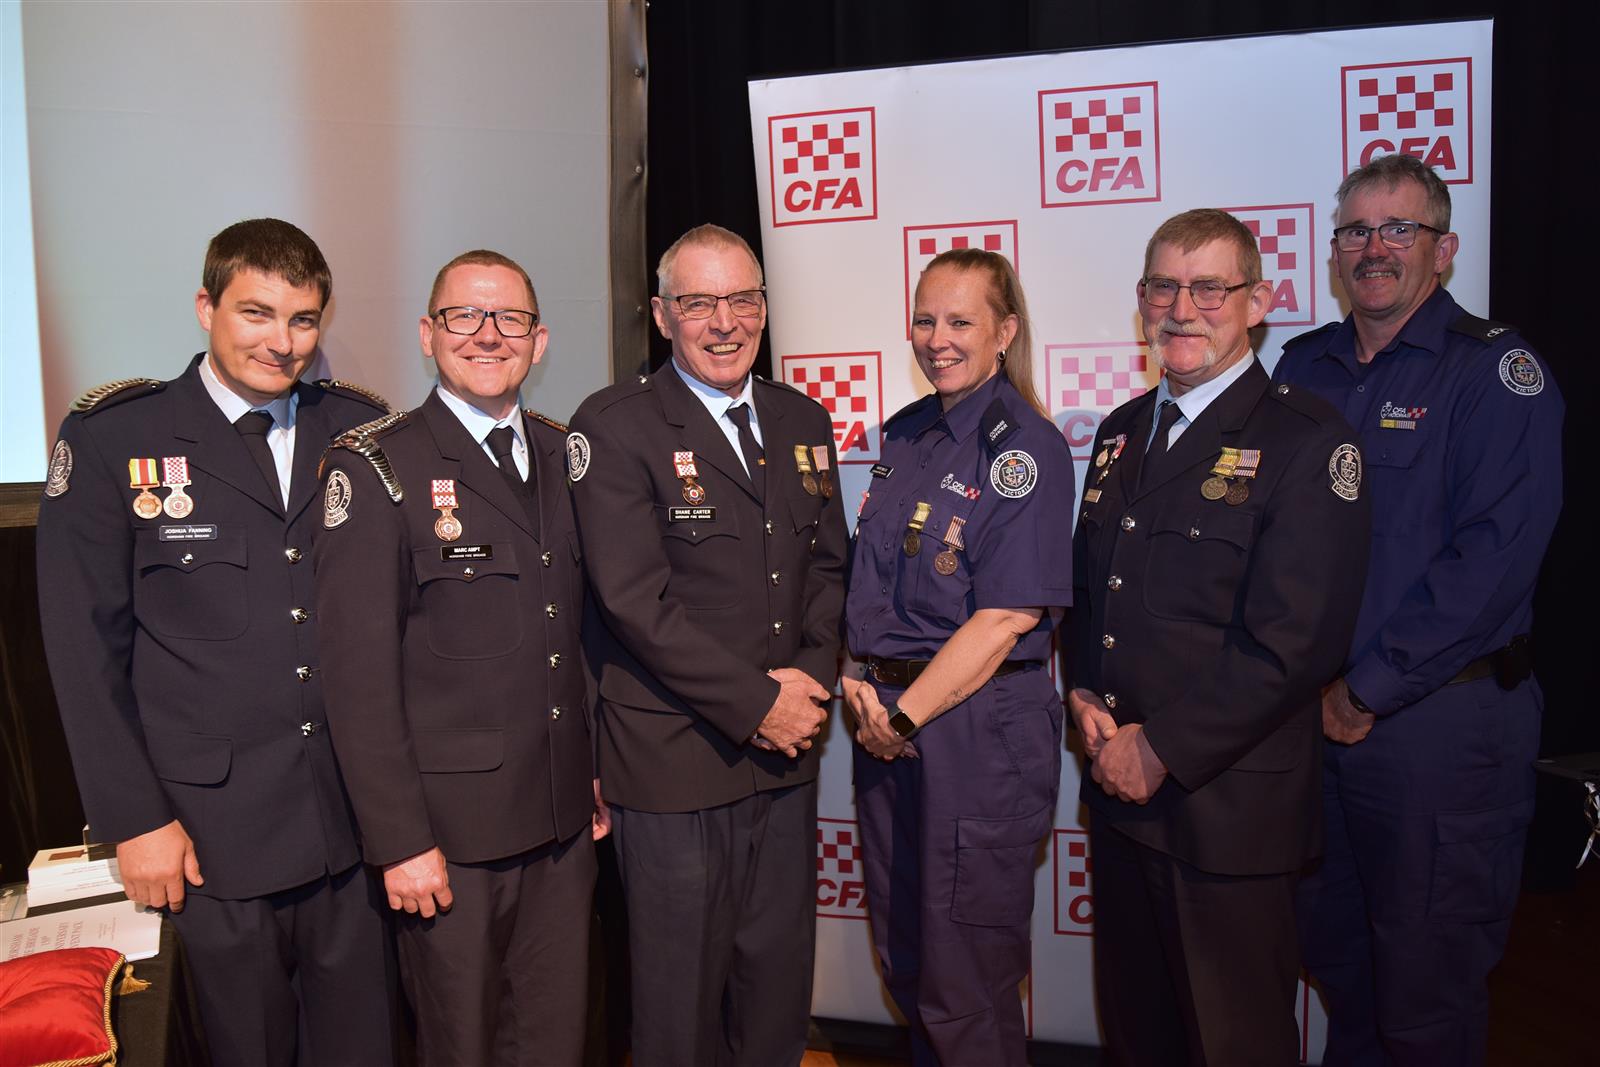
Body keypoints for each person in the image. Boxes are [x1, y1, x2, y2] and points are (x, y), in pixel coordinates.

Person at [35, 218, 394, 1067]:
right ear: (206, 306)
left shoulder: (359, 432)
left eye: (304, 319)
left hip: (348, 826)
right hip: (207, 836)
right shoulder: (115, 437)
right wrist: (135, 818)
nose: (283, 341)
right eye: (257, 313)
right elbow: (84, 650)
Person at [1276, 154, 1564, 1067]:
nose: (1374, 248)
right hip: (1311, 728)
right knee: (1340, 967)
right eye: (1356, 230)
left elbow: (1492, 562)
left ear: (1442, 248)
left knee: (1426, 994)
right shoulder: (1302, 366)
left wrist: (1365, 689)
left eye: (1398, 229)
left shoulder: (1494, 373)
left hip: (1438, 730)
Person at [1068, 208, 1371, 1066]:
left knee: (1232, 1044)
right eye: (1163, 286)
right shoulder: (1121, 430)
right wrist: (1082, 694)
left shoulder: (1308, 442)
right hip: (1122, 798)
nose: (1182, 307)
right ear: (1140, 301)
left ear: (1258, 301)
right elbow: (1096, 592)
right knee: (1140, 1037)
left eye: (1209, 287)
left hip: (1228, 813)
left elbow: (1296, 643)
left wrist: (1159, 747)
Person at [312, 250, 607, 1066]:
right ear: (427, 335)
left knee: (555, 1042)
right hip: (447, 845)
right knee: (462, 1047)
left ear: (539, 341)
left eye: (510, 318)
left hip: (557, 826)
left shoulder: (565, 455)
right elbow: (357, 679)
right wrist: (399, 839)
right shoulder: (376, 467)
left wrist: (590, 767)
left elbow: (578, 628)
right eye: (464, 317)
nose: (488, 335)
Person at [568, 223, 847, 1067]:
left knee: (775, 993)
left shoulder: (803, 418)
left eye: (743, 300)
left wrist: (806, 681)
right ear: (662, 314)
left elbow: (831, 568)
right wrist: (760, 703)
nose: (724, 322)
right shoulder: (614, 426)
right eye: (699, 302)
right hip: (674, 762)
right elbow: (634, 603)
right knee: (678, 1007)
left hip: (785, 756)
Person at [842, 247, 1072, 1066]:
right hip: (889, 727)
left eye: (961, 321)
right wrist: (855, 684)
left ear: (1004, 331)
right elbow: (864, 582)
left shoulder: (1024, 448)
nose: (937, 338)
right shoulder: (905, 437)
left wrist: (897, 714)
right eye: (925, 319)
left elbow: (1006, 615)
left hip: (975, 734)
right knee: (909, 961)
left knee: (964, 982)